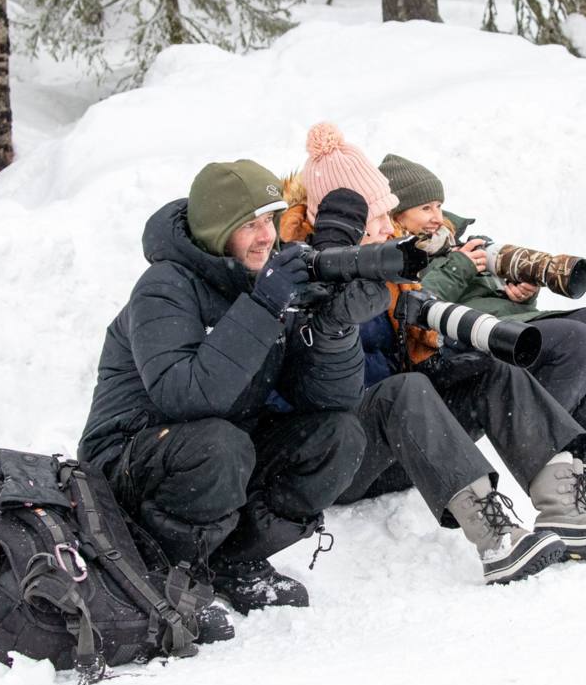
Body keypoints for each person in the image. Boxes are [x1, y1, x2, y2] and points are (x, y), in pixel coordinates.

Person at [281, 122, 586, 582]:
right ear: (338, 222)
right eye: (375, 219)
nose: (386, 228)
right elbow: (320, 392)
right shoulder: (298, 279)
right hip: (338, 460)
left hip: (402, 440)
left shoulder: (381, 260)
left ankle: (562, 508)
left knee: (489, 369)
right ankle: (495, 535)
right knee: (406, 390)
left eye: (386, 216)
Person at [78, 159, 387, 614]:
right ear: (218, 231)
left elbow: (326, 399)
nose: (267, 236)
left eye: (269, 220)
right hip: (126, 464)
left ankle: (232, 562)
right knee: (220, 446)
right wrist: (264, 306)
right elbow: (183, 396)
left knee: (336, 436)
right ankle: (173, 574)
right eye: (249, 224)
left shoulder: (266, 281)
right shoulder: (164, 287)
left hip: (215, 451)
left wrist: (336, 325)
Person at [378, 153, 586, 490]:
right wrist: (459, 267)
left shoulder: (451, 242)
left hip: (501, 325)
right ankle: (543, 449)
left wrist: (518, 295)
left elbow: (482, 295)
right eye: (426, 208)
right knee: (577, 340)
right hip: (458, 343)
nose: (438, 217)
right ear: (396, 213)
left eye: (439, 205)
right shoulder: (391, 252)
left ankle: (583, 435)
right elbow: (410, 309)